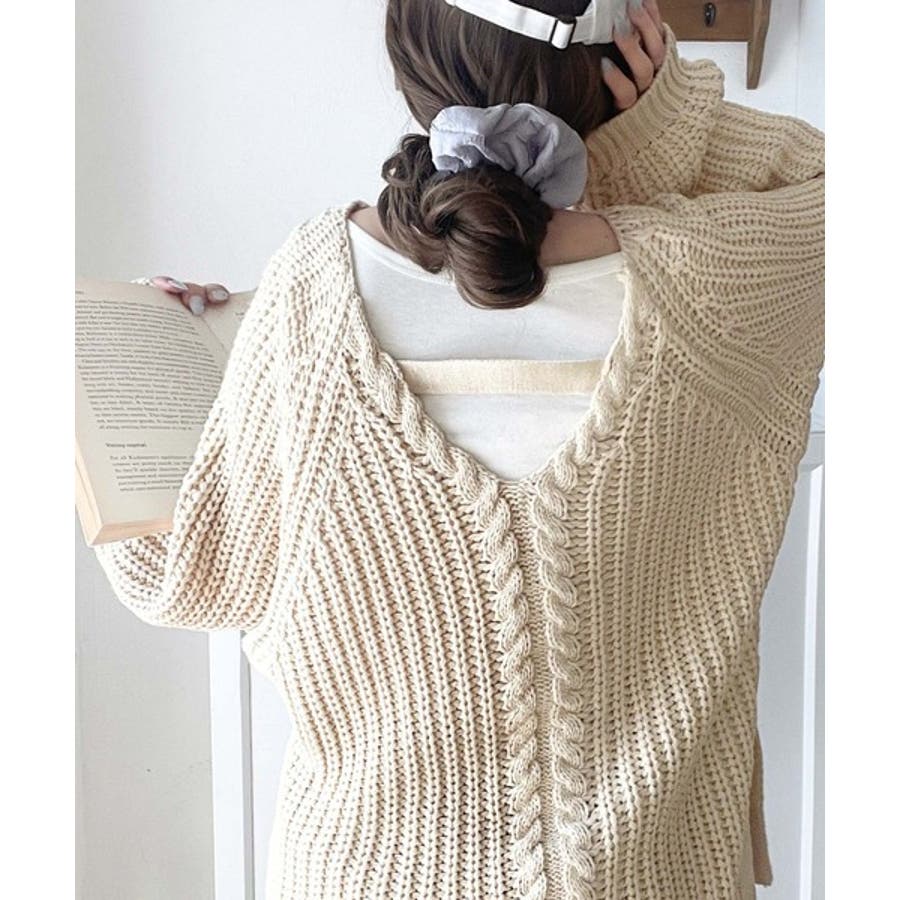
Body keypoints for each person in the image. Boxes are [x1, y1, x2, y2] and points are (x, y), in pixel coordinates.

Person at [91, 2, 824, 898]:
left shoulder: (309, 294)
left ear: (414, 60)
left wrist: (126, 363)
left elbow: (187, 577)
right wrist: (650, 134)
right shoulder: (717, 283)